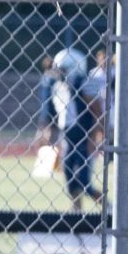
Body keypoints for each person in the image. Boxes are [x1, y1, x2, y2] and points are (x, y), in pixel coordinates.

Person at [49, 47, 101, 213]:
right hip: (68, 135)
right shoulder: (58, 86)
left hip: (83, 134)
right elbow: (60, 116)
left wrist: (94, 136)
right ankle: (76, 213)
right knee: (70, 178)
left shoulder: (83, 83)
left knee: (85, 183)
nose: (59, 73)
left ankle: (110, 209)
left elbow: (97, 111)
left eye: (62, 69)